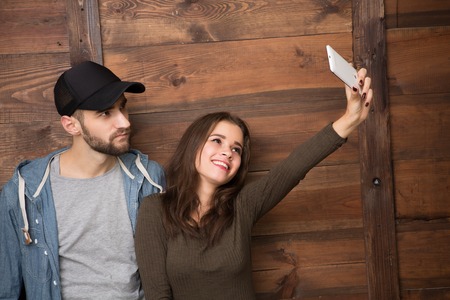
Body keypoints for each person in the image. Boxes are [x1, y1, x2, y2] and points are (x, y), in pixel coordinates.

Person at [134, 68, 373, 299]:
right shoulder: (155, 209)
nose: (227, 153)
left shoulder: (242, 206)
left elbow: (293, 168)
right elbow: (158, 294)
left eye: (236, 149)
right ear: (193, 145)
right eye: (217, 141)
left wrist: (350, 119)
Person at [0, 61, 165, 300]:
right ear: (71, 125)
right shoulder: (25, 190)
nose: (125, 122)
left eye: (122, 108)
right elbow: (7, 288)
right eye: (106, 113)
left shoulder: (148, 178)